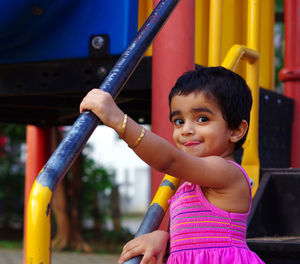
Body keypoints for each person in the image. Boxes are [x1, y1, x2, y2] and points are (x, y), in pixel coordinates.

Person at [80, 66, 265, 264]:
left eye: (202, 119)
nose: (186, 130)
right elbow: (196, 234)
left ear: (236, 130)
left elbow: (169, 160)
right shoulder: (190, 184)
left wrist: (117, 119)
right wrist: (165, 238)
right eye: (178, 121)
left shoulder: (226, 172)